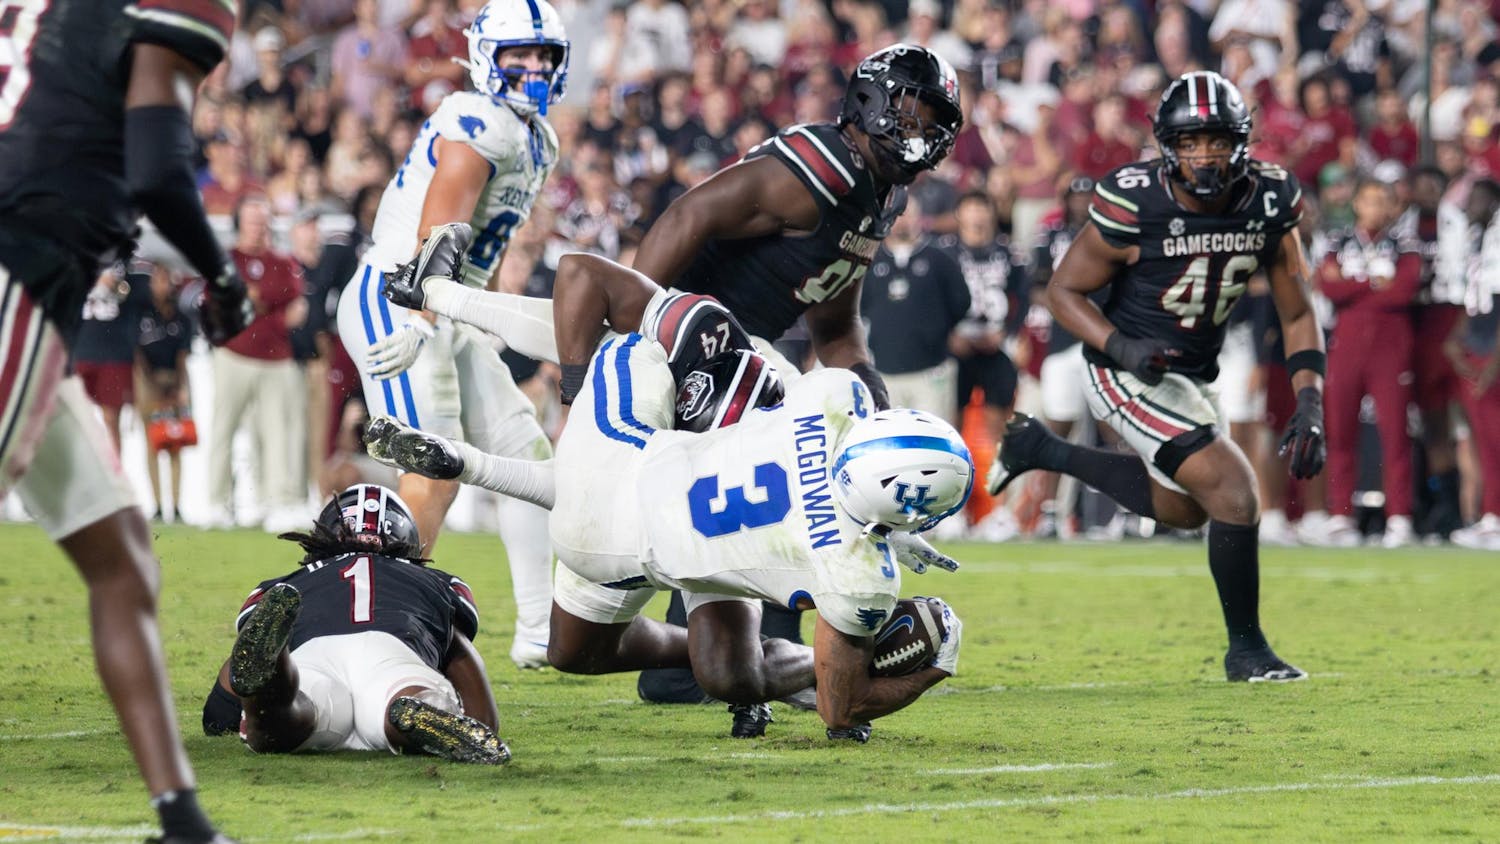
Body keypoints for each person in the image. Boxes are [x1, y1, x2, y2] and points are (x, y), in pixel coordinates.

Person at [366, 316, 969, 742]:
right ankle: (791, 663)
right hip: (676, 515)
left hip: (673, 485)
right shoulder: (856, 570)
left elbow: (586, 489)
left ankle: (772, 665)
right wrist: (928, 661)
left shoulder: (834, 394)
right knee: (576, 652)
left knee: (730, 675)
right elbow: (841, 714)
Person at [0, 0, 252, 839]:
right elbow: (155, 169)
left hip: (39, 284)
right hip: (18, 268)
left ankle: (182, 819)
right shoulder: (172, 13)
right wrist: (221, 279)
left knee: (121, 553)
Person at [987, 71, 1326, 683]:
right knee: (1235, 491)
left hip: (1190, 375)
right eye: (1190, 141)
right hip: (1123, 369)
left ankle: (1042, 448)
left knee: (1188, 510)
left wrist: (1311, 402)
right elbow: (1063, 290)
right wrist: (1122, 344)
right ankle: (1247, 651)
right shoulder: (1136, 199)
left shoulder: (1272, 200)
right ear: (1167, 144)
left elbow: (1298, 310)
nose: (1204, 155)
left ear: (1240, 142)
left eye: (1216, 141)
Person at [335, 0, 569, 668]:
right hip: (403, 295)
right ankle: (380, 632)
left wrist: (470, 316)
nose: (532, 69)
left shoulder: (536, 138)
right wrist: (424, 318)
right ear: (485, 59)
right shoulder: (480, 121)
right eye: (518, 57)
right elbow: (438, 233)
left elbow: (479, 250)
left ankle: (536, 632)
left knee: (527, 460)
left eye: (543, 56)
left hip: (444, 305)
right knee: (433, 472)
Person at [200, 484, 508, 764]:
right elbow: (462, 656)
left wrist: (231, 710)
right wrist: (483, 724)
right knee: (406, 698)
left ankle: (274, 696)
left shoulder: (293, 582)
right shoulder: (434, 582)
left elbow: (222, 704)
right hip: (393, 651)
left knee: (296, 711)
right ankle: (419, 707)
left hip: (314, 652)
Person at [1318, 179, 1422, 548]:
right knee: (1340, 432)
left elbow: (1404, 290)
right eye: (1369, 200)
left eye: (1383, 201)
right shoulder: (1338, 242)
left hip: (1390, 350)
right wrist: (1372, 283)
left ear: (1392, 207)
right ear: (1357, 204)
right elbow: (1327, 288)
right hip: (1345, 348)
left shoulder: (1404, 245)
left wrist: (1352, 285)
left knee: (1395, 435)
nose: (1376, 208)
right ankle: (1340, 515)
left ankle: (1399, 517)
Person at [137, 263, 196, 524]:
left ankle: (177, 503)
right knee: (152, 442)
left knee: (175, 442)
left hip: (174, 379)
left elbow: (184, 353)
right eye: (157, 280)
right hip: (148, 380)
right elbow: (137, 352)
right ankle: (158, 504)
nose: (161, 286)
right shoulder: (142, 314)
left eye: (165, 280)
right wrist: (152, 384)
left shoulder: (180, 317)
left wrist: (179, 386)